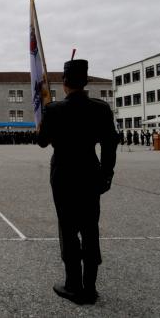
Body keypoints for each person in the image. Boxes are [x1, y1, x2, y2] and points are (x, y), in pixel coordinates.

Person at [37, 59, 118, 305]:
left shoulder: (54, 109)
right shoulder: (101, 108)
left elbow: (42, 142)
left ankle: (73, 284)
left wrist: (43, 119)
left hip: (63, 175)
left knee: (68, 229)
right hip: (90, 172)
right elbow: (110, 143)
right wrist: (107, 173)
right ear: (86, 82)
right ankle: (90, 287)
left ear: (64, 83)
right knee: (90, 228)